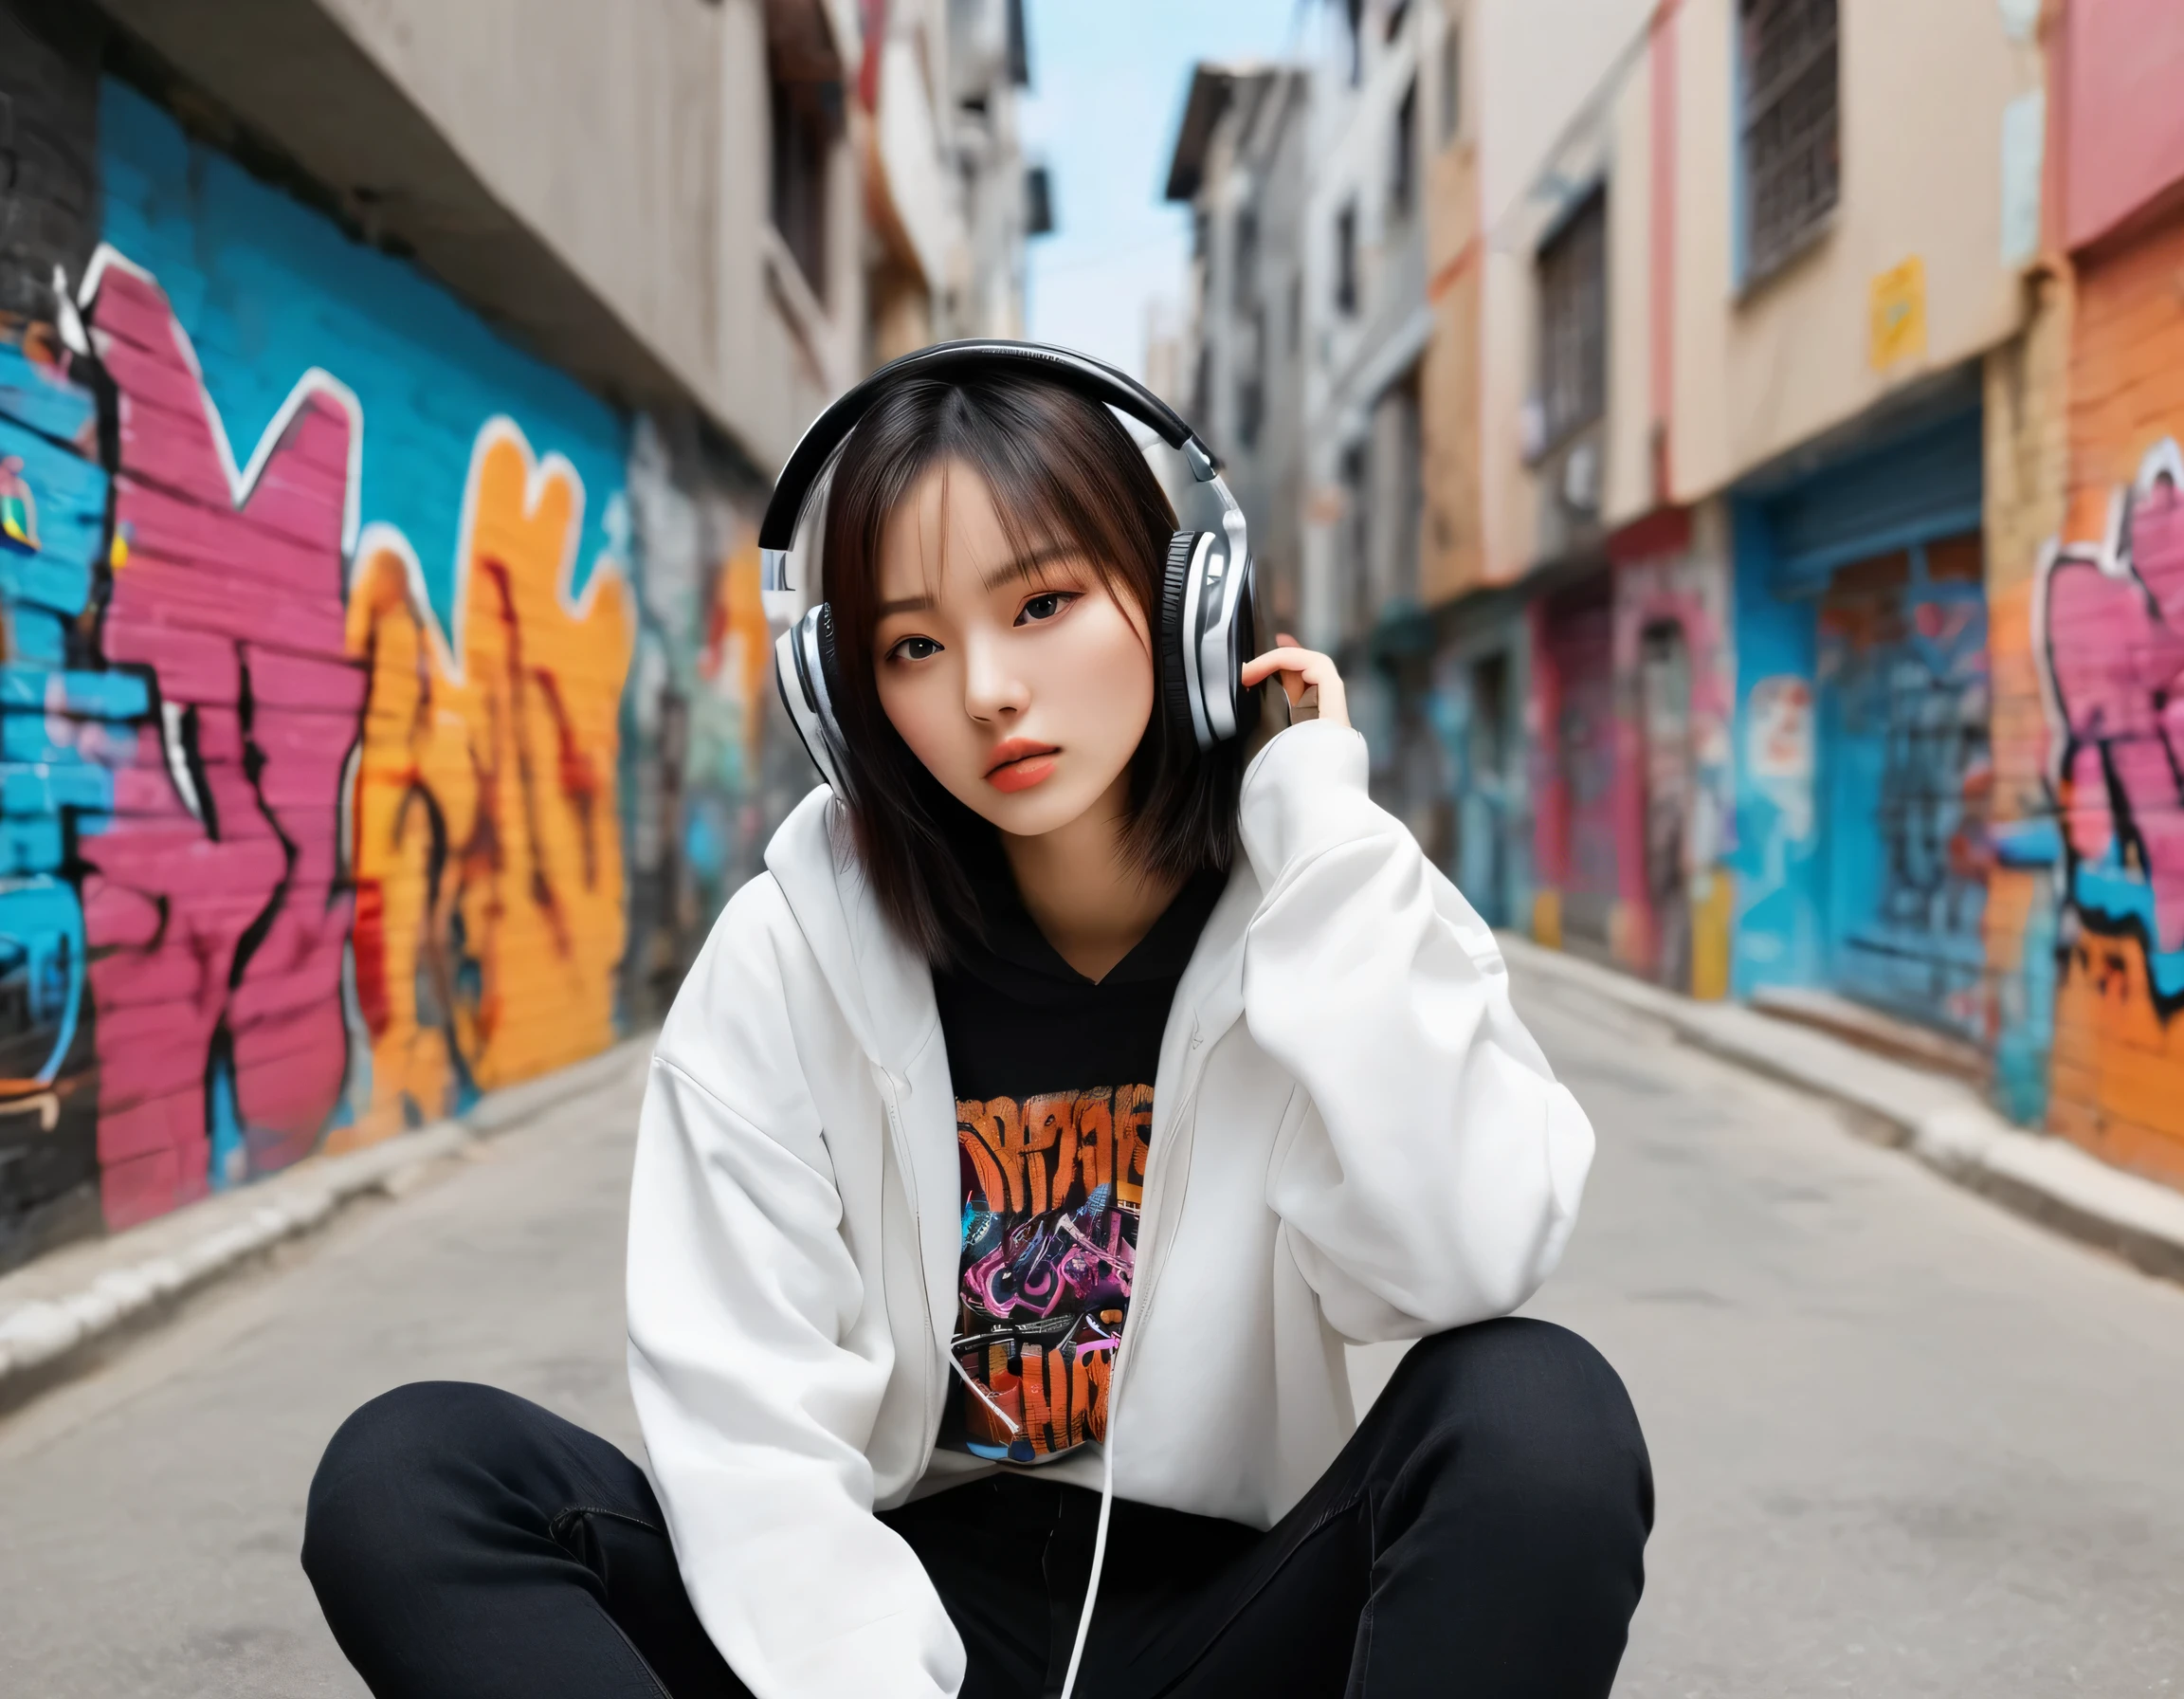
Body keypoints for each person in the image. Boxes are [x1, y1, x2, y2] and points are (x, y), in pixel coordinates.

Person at [301, 348, 1652, 1699]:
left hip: (1226, 1623)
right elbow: (752, 1428)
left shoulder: (1325, 903)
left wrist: (1317, 823)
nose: (989, 688)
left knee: (1539, 1413)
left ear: (1187, 601)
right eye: (913, 646)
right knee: (412, 1473)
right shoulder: (792, 956)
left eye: (1046, 602)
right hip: (880, 1610)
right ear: (848, 699)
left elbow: (1459, 1258)